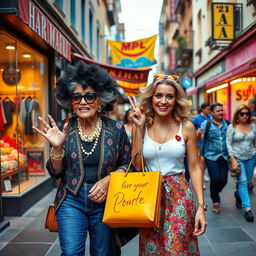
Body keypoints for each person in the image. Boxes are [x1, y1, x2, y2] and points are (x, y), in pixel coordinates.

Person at [32, 61, 131, 256]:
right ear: (70, 101)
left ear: (100, 99)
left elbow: (128, 164)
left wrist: (111, 179)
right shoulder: (62, 128)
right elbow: (55, 172)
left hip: (106, 202)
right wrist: (57, 148)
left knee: (103, 253)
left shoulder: (116, 129)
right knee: (70, 253)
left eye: (89, 96)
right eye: (77, 97)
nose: (83, 102)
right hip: (71, 199)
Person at [128, 74, 207, 255]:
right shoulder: (141, 125)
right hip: (148, 196)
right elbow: (138, 167)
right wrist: (139, 129)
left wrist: (201, 207)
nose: (163, 101)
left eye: (169, 96)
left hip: (179, 194)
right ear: (151, 98)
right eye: (158, 95)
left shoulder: (186, 127)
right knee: (152, 250)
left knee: (176, 249)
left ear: (176, 100)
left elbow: (194, 168)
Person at [198, 102, 229, 214]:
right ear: (212, 113)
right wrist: (198, 135)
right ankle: (215, 201)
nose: (221, 112)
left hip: (224, 156)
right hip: (210, 156)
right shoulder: (206, 124)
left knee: (224, 180)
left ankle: (215, 191)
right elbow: (199, 138)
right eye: (218, 111)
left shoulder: (227, 123)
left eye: (222, 110)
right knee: (215, 179)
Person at [226, 104, 256, 222]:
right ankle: (247, 209)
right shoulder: (232, 127)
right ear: (237, 115)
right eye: (242, 113)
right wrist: (232, 159)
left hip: (251, 157)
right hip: (238, 158)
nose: (245, 116)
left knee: (247, 182)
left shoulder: (253, 126)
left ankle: (238, 195)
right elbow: (228, 144)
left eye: (247, 113)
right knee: (242, 182)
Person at [192, 103, 211, 188]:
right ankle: (201, 180)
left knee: (205, 162)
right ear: (202, 109)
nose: (209, 110)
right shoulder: (196, 119)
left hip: (208, 143)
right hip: (199, 143)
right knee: (201, 161)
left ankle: (203, 174)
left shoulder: (210, 117)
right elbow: (192, 129)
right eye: (207, 109)